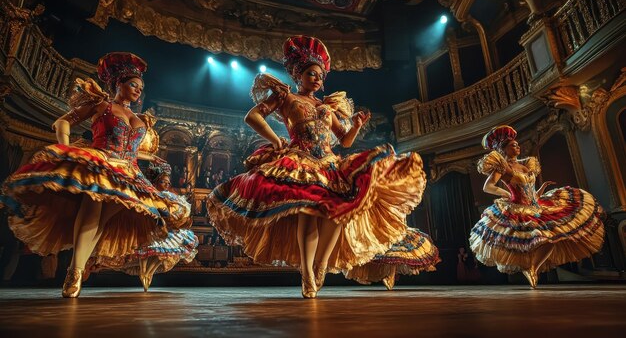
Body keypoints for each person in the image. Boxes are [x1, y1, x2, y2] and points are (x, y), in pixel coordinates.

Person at [206, 36, 427, 298]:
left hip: (329, 162)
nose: (318, 80)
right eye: (312, 74)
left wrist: (355, 126)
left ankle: (321, 265)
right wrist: (276, 139)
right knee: (307, 214)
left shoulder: (326, 106)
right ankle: (307, 272)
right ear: (299, 75)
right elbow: (252, 116)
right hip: (301, 160)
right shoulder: (286, 98)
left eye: (321, 76)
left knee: (338, 211)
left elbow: (344, 140)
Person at [0, 52, 190, 297]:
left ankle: (75, 269)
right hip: (102, 162)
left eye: (141, 87)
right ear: (118, 83)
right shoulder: (102, 105)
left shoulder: (141, 119)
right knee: (93, 210)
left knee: (101, 221)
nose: (138, 91)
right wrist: (65, 149)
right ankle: (75, 272)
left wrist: (151, 158)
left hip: (130, 174)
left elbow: (133, 149)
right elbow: (62, 123)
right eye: (133, 84)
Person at [469, 125, 605, 288]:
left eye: (517, 144)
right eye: (513, 145)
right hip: (518, 209)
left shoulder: (525, 164)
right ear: (503, 148)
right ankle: (530, 268)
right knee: (540, 239)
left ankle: (532, 268)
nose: (517, 146)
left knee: (553, 237)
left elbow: (531, 192)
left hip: (536, 206)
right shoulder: (504, 167)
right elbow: (487, 186)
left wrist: (541, 189)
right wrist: (504, 193)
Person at [86, 161, 198, 291]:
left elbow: (177, 212)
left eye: (168, 183)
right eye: (163, 182)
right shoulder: (148, 196)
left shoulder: (167, 196)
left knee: (163, 253)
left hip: (162, 230)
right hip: (147, 229)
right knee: (146, 251)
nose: (166, 185)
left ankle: (148, 273)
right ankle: (145, 273)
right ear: (155, 183)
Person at [344, 228, 440, 290]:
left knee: (396, 253)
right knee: (390, 253)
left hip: (395, 230)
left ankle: (390, 276)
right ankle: (390, 277)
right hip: (383, 231)